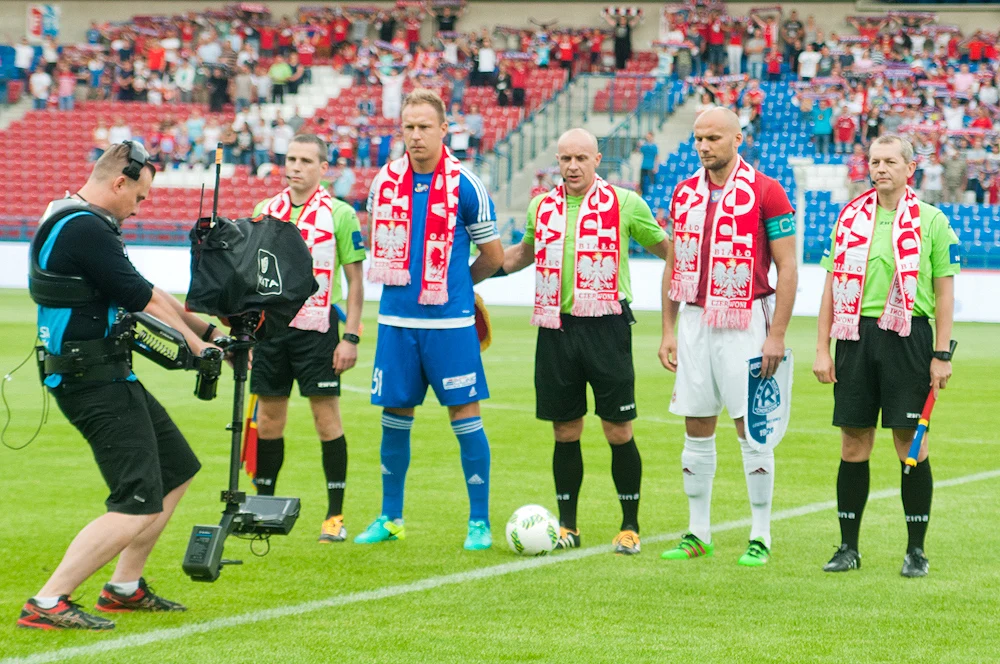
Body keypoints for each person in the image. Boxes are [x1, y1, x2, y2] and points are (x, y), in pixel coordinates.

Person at [18, 143, 219, 630]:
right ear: (118, 183)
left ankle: (124, 586)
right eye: (141, 198)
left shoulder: (80, 221)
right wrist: (199, 347)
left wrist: (209, 335)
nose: (139, 208)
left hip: (105, 373)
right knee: (136, 500)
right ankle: (48, 601)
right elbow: (140, 296)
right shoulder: (85, 227)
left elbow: (143, 287)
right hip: (91, 380)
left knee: (176, 469)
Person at [499, 128, 669, 556]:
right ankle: (568, 527)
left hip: (607, 328)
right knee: (564, 430)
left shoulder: (626, 203)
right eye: (564, 159)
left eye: (580, 158)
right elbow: (523, 254)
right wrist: (472, 274)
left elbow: (667, 250)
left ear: (597, 160)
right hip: (556, 327)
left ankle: (629, 525)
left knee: (617, 430)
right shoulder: (543, 205)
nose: (572, 166)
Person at [358, 89, 504, 551]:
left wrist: (456, 284)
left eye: (425, 126)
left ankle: (478, 522)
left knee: (465, 416)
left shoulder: (466, 185)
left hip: (450, 324)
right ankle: (390, 517)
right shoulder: (384, 182)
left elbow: (493, 256)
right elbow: (375, 241)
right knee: (394, 417)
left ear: (444, 130)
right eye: (409, 127)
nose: (416, 135)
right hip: (397, 323)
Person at [814, 135, 960, 578]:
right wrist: (822, 347)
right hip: (854, 335)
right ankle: (848, 548)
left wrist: (941, 354)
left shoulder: (932, 221)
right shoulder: (850, 218)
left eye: (890, 162)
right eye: (875, 161)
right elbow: (829, 287)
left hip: (909, 338)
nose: (881, 168)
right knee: (853, 442)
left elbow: (945, 292)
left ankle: (916, 550)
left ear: (909, 168)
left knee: (908, 444)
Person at [659, 108, 798, 566]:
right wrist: (668, 329)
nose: (703, 146)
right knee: (696, 423)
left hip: (746, 319)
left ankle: (761, 534)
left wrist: (776, 334)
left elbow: (788, 268)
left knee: (752, 427)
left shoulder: (767, 191)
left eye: (713, 138)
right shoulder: (684, 193)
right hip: (696, 319)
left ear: (738, 138)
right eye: (698, 138)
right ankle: (698, 531)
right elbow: (675, 264)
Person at [248, 134, 366, 543]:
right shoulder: (265, 211)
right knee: (268, 422)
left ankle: (334, 516)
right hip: (270, 332)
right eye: (290, 159)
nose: (295, 167)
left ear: (322, 168)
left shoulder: (341, 214)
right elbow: (253, 278)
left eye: (305, 161)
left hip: (318, 331)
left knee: (326, 420)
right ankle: (262, 509)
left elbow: (355, 283)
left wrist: (349, 336)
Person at [637, 132, 658, 197]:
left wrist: (656, 166)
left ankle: (653, 194)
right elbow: (638, 151)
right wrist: (639, 145)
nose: (648, 138)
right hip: (644, 165)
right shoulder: (644, 145)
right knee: (642, 182)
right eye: (647, 137)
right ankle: (641, 194)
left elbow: (656, 156)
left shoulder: (654, 146)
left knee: (651, 181)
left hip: (651, 166)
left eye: (649, 136)